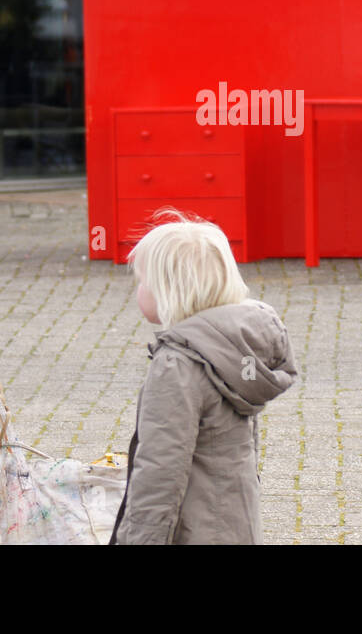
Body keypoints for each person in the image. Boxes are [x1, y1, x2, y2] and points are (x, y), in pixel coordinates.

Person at [110, 212, 297, 544]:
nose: (138, 290)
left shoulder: (177, 364)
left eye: (142, 281)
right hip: (236, 523)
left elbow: (160, 470)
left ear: (170, 289)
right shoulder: (238, 347)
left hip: (192, 529)